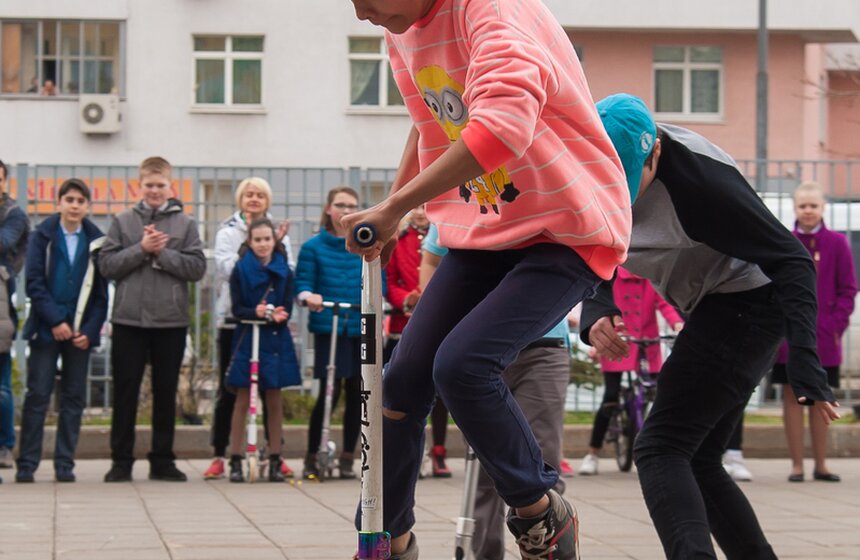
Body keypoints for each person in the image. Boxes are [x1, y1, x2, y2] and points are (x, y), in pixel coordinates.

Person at [344, 2, 631, 558]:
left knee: (463, 365)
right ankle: (388, 539)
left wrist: (397, 206)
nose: (362, 14)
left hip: (567, 226)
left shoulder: (495, 13)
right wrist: (395, 210)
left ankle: (541, 511)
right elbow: (431, 123)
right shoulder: (402, 27)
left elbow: (502, 129)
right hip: (491, 228)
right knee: (400, 384)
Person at [581, 93, 840, 560]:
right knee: (698, 458)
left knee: (660, 448)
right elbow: (583, 243)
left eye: (626, 181)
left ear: (654, 151)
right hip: (715, 306)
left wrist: (805, 359)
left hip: (747, 304)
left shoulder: (704, 185)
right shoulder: (581, 161)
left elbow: (794, 261)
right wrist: (597, 305)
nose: (615, 196)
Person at [99, 156, 206, 483]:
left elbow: (197, 268)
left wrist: (162, 254)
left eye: (161, 185)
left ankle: (162, 460)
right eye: (150, 185)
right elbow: (107, 265)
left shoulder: (185, 225)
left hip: (169, 322)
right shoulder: (123, 221)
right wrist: (142, 248)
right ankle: (121, 461)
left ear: (170, 186)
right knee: (126, 393)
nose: (155, 190)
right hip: (129, 320)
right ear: (140, 186)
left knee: (165, 393)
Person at [15, 179, 108, 483]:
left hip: (80, 334)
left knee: (73, 398)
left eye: (80, 201)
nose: (74, 206)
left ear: (87, 206)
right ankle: (27, 464)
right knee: (38, 395)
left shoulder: (96, 240)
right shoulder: (42, 236)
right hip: (47, 329)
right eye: (69, 199)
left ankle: (65, 464)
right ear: (58, 203)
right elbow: (34, 284)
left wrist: (90, 330)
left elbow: (101, 294)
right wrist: (55, 321)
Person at [204, 177, 294, 480]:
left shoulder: (278, 242)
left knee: (272, 392)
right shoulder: (229, 232)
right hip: (238, 323)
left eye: (260, 195)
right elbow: (226, 269)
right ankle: (229, 455)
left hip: (271, 331)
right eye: (249, 194)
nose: (254, 199)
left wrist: (276, 248)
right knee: (233, 391)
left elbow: (287, 276)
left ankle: (274, 455)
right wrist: (254, 259)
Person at [770, 180, 857, 483]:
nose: (808, 211)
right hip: (789, 337)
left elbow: (848, 289)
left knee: (822, 399)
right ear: (795, 209)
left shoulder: (837, 244)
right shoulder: (785, 240)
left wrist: (834, 324)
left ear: (822, 209)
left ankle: (821, 464)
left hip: (824, 338)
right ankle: (796, 464)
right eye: (803, 206)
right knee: (793, 398)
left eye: (814, 206)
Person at [578, 267, 683, 476]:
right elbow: (598, 307)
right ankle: (593, 453)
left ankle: (656, 445)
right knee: (610, 397)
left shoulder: (648, 277)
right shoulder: (611, 275)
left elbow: (664, 304)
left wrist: (678, 324)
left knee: (657, 393)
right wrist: (595, 338)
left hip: (645, 343)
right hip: (618, 341)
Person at [296, 186, 369, 480]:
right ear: (329, 209)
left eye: (352, 205)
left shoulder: (365, 242)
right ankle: (313, 455)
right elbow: (303, 283)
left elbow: (379, 280)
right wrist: (308, 295)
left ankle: (348, 456)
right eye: (340, 205)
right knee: (329, 390)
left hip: (357, 326)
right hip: (331, 326)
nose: (346, 210)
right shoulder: (313, 247)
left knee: (356, 391)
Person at [226, 218, 300, 483]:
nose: (262, 244)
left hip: (274, 339)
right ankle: (235, 457)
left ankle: (275, 457)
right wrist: (254, 312)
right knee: (243, 397)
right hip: (248, 336)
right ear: (249, 241)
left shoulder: (284, 270)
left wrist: (276, 313)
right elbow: (236, 309)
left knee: (273, 396)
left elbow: (287, 307)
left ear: (274, 240)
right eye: (257, 240)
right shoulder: (240, 269)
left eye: (267, 239)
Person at [388, 206, 451, 478]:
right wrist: (406, 297)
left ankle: (438, 449)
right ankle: (407, 455)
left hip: (442, 315)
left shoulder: (445, 232)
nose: (420, 212)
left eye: (425, 205)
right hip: (404, 321)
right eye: (415, 206)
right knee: (404, 387)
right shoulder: (400, 238)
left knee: (440, 394)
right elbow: (390, 278)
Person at [0, 159, 30, 476]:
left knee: (2, 387)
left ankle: (5, 444)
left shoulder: (13, 214)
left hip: (1, 308)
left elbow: (4, 243)